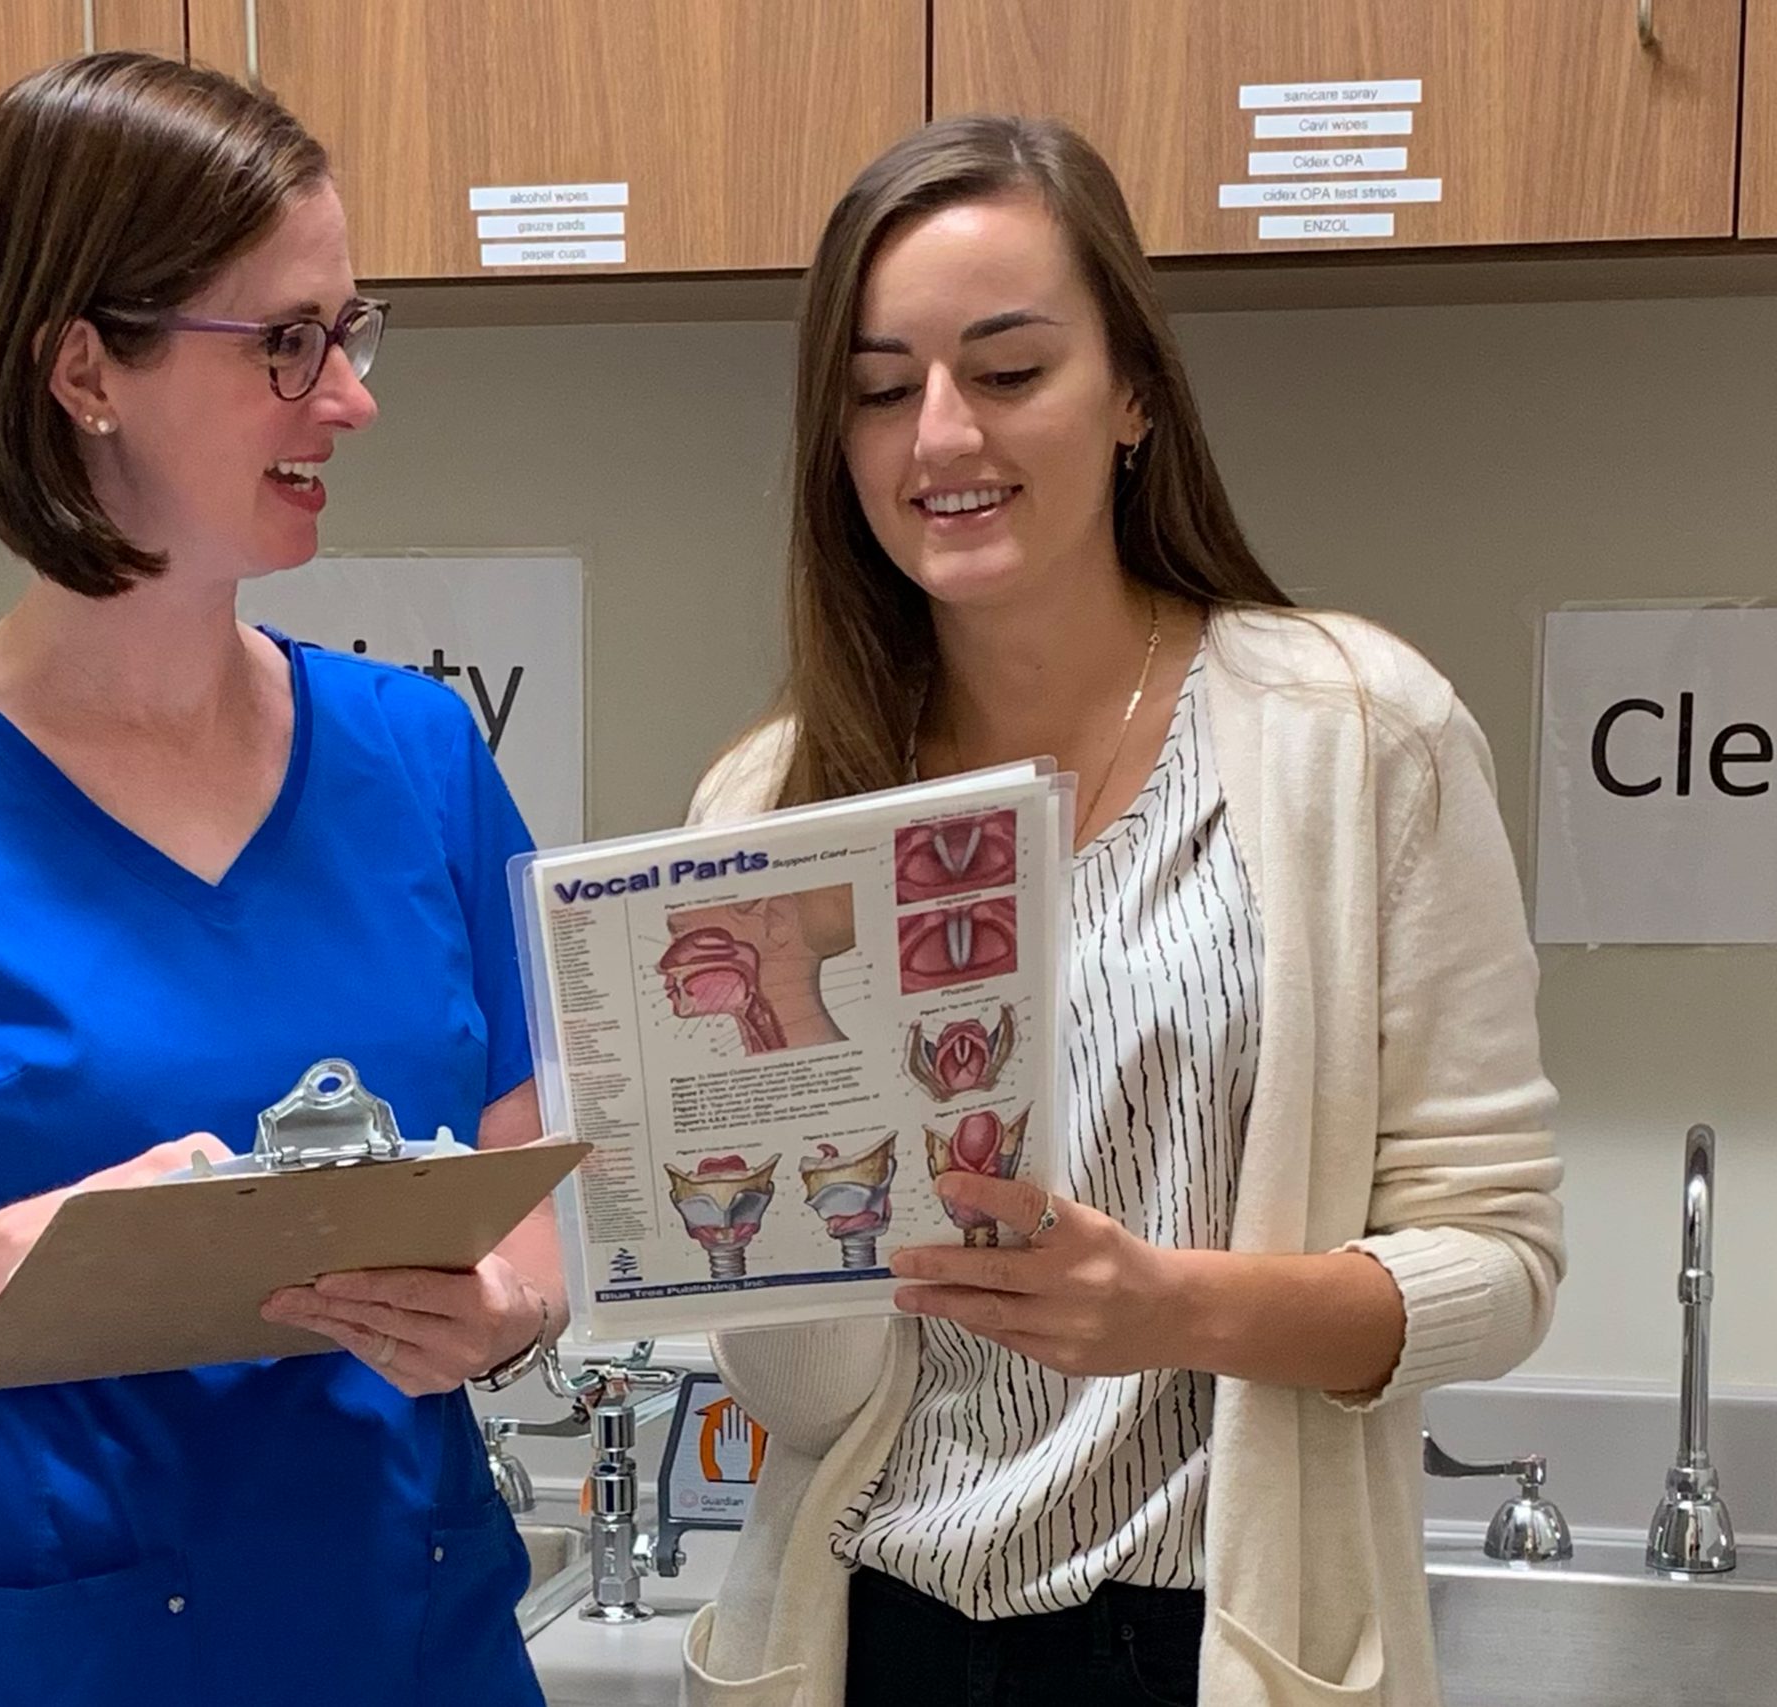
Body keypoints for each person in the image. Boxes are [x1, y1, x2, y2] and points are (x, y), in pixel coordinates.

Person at [0, 54, 559, 1707]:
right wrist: (47, 1247)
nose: (347, 396)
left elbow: (537, 1195)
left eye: (350, 333)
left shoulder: (420, 758)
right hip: (37, 1662)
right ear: (86, 367)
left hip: (407, 1646)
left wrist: (499, 1309)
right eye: (287, 341)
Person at [677, 115, 1566, 1707]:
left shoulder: (1359, 735)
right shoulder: (770, 811)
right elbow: (803, 1399)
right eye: (881, 392)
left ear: (1136, 393)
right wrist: (745, 1208)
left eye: (1009, 371)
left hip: (1207, 1642)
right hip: (870, 1637)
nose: (941, 434)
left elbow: (1499, 1264)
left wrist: (1174, 1307)